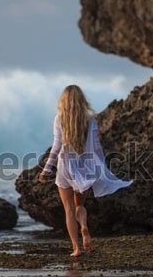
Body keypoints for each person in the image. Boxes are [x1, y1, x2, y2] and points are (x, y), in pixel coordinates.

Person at [38, 85, 133, 257]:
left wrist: (46, 169)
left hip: (65, 167)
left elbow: (57, 146)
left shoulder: (59, 119)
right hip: (85, 167)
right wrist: (100, 167)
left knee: (68, 209)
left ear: (63, 101)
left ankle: (76, 248)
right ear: (81, 100)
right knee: (79, 205)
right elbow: (97, 148)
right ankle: (84, 226)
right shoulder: (91, 120)